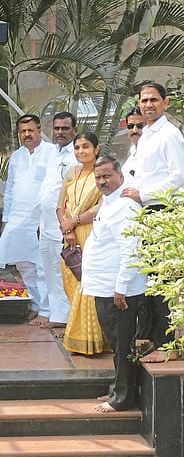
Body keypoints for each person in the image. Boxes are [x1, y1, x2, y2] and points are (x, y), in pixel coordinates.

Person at [121, 81, 184, 362]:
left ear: (165, 103)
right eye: (144, 100)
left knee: (162, 281)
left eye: (154, 100)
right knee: (150, 281)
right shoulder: (146, 134)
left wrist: (143, 194)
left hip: (163, 212)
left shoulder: (169, 134)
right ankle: (153, 338)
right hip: (145, 214)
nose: (148, 104)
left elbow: (178, 177)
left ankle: (167, 345)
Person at [81, 156, 146, 411]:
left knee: (122, 343)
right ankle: (117, 390)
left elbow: (131, 249)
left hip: (118, 291)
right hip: (104, 287)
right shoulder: (109, 202)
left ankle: (122, 398)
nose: (102, 181)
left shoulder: (125, 206)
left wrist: (121, 288)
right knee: (116, 342)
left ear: (120, 175)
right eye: (98, 177)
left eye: (107, 176)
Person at [0, 114, 54, 318]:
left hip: (42, 218)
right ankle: (35, 305)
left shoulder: (52, 153)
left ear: (39, 131)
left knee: (42, 264)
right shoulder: (17, 156)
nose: (27, 134)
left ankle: (47, 309)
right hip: (18, 218)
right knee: (23, 264)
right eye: (23, 131)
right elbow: (9, 189)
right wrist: (6, 219)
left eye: (30, 130)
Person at [57, 131, 104, 355]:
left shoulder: (101, 173)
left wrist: (74, 222)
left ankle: (89, 339)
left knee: (88, 284)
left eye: (86, 146)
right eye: (77, 147)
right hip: (69, 235)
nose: (81, 151)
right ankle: (79, 334)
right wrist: (67, 229)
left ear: (96, 149)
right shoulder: (71, 173)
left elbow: (100, 207)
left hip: (90, 233)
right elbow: (60, 205)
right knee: (73, 282)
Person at [37, 112, 78, 329]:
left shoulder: (76, 155)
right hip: (45, 224)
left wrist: (68, 226)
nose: (60, 132)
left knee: (65, 271)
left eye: (65, 128)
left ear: (74, 130)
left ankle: (70, 318)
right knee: (49, 272)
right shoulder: (52, 153)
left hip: (63, 225)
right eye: (57, 128)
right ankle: (58, 315)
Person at [121, 105, 144, 184]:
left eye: (140, 126)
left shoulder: (154, 152)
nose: (134, 130)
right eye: (130, 126)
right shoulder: (133, 151)